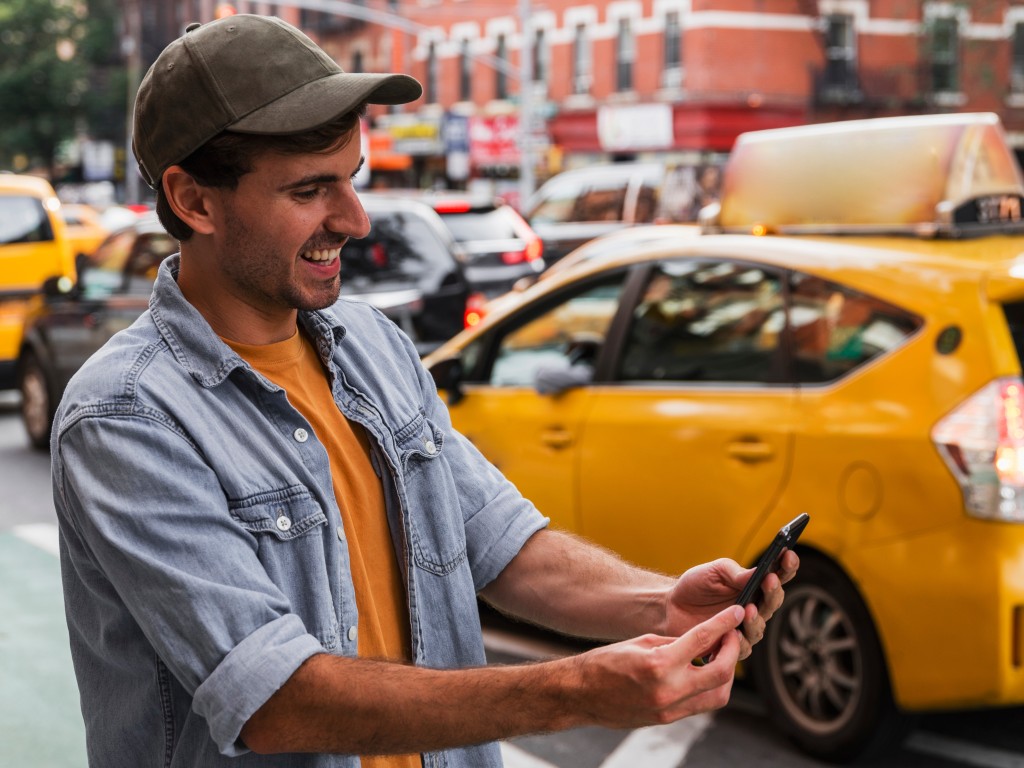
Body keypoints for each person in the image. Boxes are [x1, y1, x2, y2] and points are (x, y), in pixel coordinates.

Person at [51, 14, 799, 768]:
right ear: (195, 201)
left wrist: (659, 604)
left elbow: (502, 543)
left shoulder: (373, 345)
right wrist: (577, 690)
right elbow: (275, 700)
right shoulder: (124, 418)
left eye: (353, 177)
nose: (354, 218)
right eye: (311, 190)